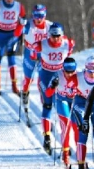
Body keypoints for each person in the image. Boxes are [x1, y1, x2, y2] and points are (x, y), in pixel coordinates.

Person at [31, 23, 74, 155]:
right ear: (49, 35)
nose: (55, 39)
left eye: (58, 36)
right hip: (46, 75)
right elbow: (33, 54)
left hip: (61, 75)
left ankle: (66, 141)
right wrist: (35, 53)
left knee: (63, 104)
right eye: (53, 36)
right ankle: (47, 136)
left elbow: (69, 57)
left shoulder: (68, 43)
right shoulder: (42, 44)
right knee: (48, 105)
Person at [44, 57, 79, 169]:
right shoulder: (57, 75)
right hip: (62, 101)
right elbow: (48, 94)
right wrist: (53, 86)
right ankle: (65, 154)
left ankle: (80, 155)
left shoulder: (79, 76)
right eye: (67, 72)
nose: (69, 74)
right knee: (66, 125)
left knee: (77, 127)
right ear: (63, 69)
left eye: (72, 72)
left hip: (74, 102)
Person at [0, 0, 26, 94]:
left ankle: (14, 85)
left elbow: (23, 20)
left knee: (11, 58)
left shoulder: (19, 6)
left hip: (12, 34)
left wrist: (18, 33)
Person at [21, 4, 52, 107]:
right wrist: (21, 25)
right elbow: (18, 33)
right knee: (28, 78)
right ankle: (25, 93)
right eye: (36, 15)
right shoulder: (29, 25)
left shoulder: (50, 26)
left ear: (45, 15)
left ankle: (44, 101)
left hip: (44, 55)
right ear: (33, 15)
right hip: (30, 53)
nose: (38, 19)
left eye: (41, 16)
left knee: (42, 80)